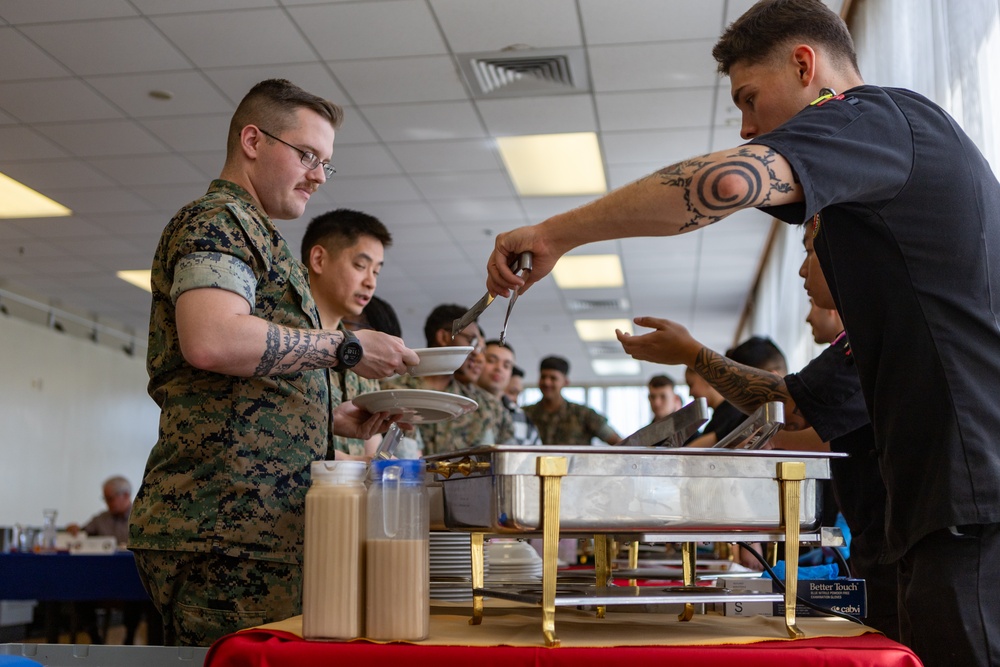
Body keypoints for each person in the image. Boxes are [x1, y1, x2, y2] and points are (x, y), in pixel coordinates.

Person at [486, 2, 1000, 661]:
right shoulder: (888, 157)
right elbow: (793, 400)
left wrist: (556, 234)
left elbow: (726, 180)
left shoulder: (875, 117)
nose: (749, 125)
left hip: (968, 506)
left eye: (750, 98)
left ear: (805, 65)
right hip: (941, 509)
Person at [129, 78, 418, 647]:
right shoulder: (218, 221)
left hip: (258, 529)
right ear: (253, 141)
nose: (317, 174)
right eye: (307, 154)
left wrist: (338, 415)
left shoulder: (264, 240)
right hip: (220, 528)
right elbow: (211, 341)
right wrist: (348, 347)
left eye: (325, 164)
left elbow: (253, 387)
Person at [618, 227, 898, 639]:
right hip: (880, 553)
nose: (802, 271)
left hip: (903, 551)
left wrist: (691, 352)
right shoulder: (861, 339)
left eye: (809, 253)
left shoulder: (871, 337)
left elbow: (790, 408)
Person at [300, 208, 394, 459]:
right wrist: (357, 464)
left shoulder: (364, 356)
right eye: (360, 266)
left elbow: (370, 447)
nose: (370, 282)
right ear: (319, 260)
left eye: (376, 272)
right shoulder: (281, 341)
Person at [382, 305, 514, 455]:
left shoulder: (482, 406)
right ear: (444, 337)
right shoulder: (392, 393)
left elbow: (510, 457)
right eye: (471, 341)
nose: (476, 353)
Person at [67, 477, 163, 645]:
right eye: (105, 499)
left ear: (126, 495)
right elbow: (82, 536)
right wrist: (75, 531)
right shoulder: (100, 519)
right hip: (102, 580)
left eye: (110, 498)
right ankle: (95, 640)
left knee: (136, 589)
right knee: (78, 588)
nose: (107, 503)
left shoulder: (142, 517)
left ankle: (129, 637)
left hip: (132, 579)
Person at [523, 356, 621, 446]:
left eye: (553, 378)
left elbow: (618, 443)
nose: (546, 382)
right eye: (543, 377)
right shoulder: (525, 414)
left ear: (565, 382)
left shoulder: (583, 414)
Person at [477, 340, 542, 445]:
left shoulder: (521, 418)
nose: (499, 368)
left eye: (506, 365)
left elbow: (535, 457)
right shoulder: (460, 406)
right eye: (491, 360)